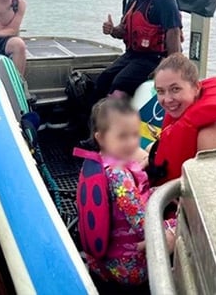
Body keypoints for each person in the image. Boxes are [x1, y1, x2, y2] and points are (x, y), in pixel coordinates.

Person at [73, 98, 175, 287]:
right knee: (183, 223)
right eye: (122, 136)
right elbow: (144, 225)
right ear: (101, 138)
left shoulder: (95, 164)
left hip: (100, 262)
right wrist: (174, 222)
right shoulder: (119, 174)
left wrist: (154, 191)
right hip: (128, 268)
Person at [145, 53, 216, 186]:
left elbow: (215, 196)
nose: (167, 99)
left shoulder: (211, 135)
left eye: (175, 89)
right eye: (160, 91)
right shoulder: (187, 112)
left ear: (197, 87)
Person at [94, 0, 183, 105]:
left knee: (120, 84)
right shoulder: (132, 2)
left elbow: (174, 33)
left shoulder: (164, 0)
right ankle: (97, 119)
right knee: (103, 79)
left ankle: (119, 122)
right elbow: (123, 31)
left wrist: (169, 68)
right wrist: (112, 30)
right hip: (133, 54)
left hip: (155, 58)